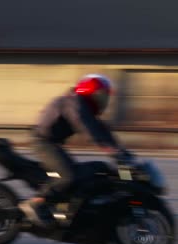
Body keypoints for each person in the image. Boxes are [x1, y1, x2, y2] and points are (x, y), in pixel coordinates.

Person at [18, 74, 131, 228]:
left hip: (54, 144)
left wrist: (122, 152)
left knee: (101, 168)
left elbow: (102, 129)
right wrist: (111, 150)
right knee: (68, 176)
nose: (105, 101)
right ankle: (36, 202)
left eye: (106, 98)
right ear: (90, 93)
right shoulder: (74, 103)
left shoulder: (83, 106)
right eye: (102, 96)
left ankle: (74, 207)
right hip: (43, 143)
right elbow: (88, 129)